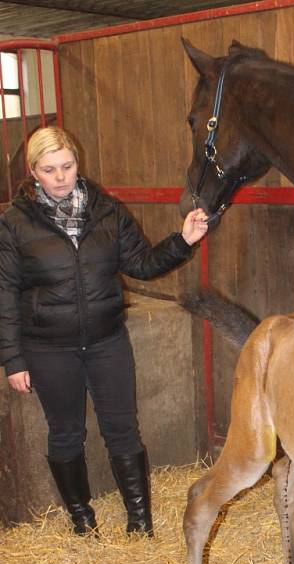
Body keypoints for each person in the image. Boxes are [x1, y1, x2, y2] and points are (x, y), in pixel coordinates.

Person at [0, 126, 208, 537]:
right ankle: (82, 521)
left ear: (77, 162)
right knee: (65, 432)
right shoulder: (14, 223)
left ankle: (140, 521)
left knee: (122, 427)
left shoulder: (107, 212)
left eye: (67, 166)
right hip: (48, 348)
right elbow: (4, 291)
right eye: (49, 169)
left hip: (106, 340)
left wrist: (182, 241)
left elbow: (143, 263)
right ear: (33, 171)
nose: (60, 176)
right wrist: (13, 358)